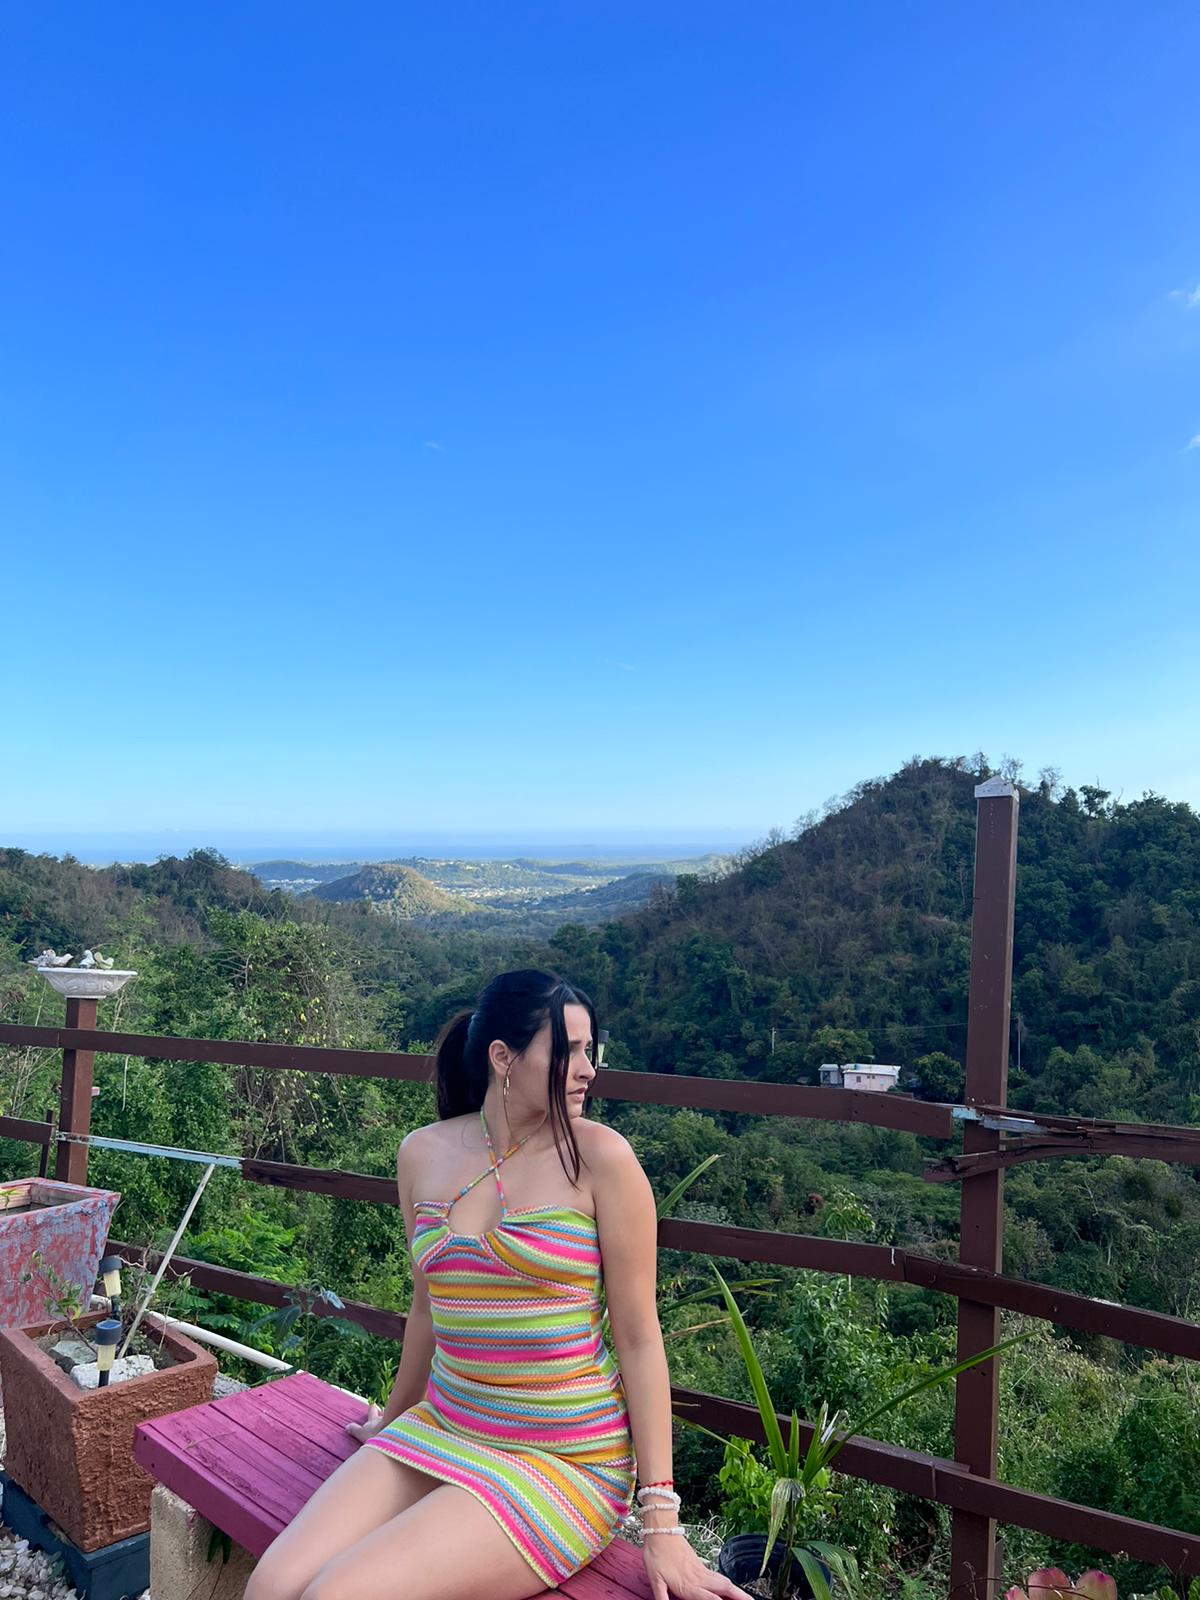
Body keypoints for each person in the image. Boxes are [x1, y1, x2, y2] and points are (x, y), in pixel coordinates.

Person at [245, 968, 751, 1600]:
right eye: (567, 1051)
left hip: (561, 1461)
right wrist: (394, 1420)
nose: (588, 1068)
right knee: (269, 1587)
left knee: (334, 1595)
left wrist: (661, 1522)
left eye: (591, 1050)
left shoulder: (601, 1159)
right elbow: (428, 1306)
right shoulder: (423, 1154)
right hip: (446, 1425)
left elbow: (640, 1338)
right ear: (502, 1058)